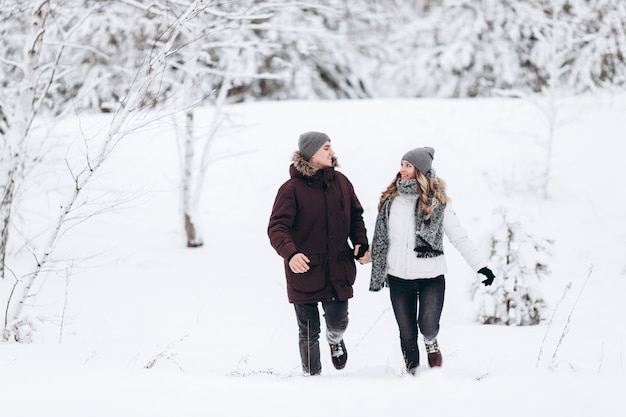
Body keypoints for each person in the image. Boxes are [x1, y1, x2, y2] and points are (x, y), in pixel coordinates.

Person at [369, 146, 495, 375]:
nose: (402, 170)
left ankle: (431, 342)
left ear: (420, 170)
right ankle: (413, 375)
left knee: (428, 326)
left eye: (408, 165)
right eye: (401, 165)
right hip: (398, 278)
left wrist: (481, 266)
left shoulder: (438, 203)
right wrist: (365, 255)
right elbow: (383, 240)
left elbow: (459, 236)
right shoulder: (392, 201)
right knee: (406, 333)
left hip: (431, 277)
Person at [268, 131, 370, 376]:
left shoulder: (342, 183)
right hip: (304, 270)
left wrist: (360, 242)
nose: (332, 153)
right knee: (308, 330)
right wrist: (291, 254)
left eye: (331, 147)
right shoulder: (290, 189)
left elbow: (356, 216)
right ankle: (312, 378)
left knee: (338, 322)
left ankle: (335, 340)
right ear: (311, 153)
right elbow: (277, 227)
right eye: (326, 148)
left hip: (338, 268)